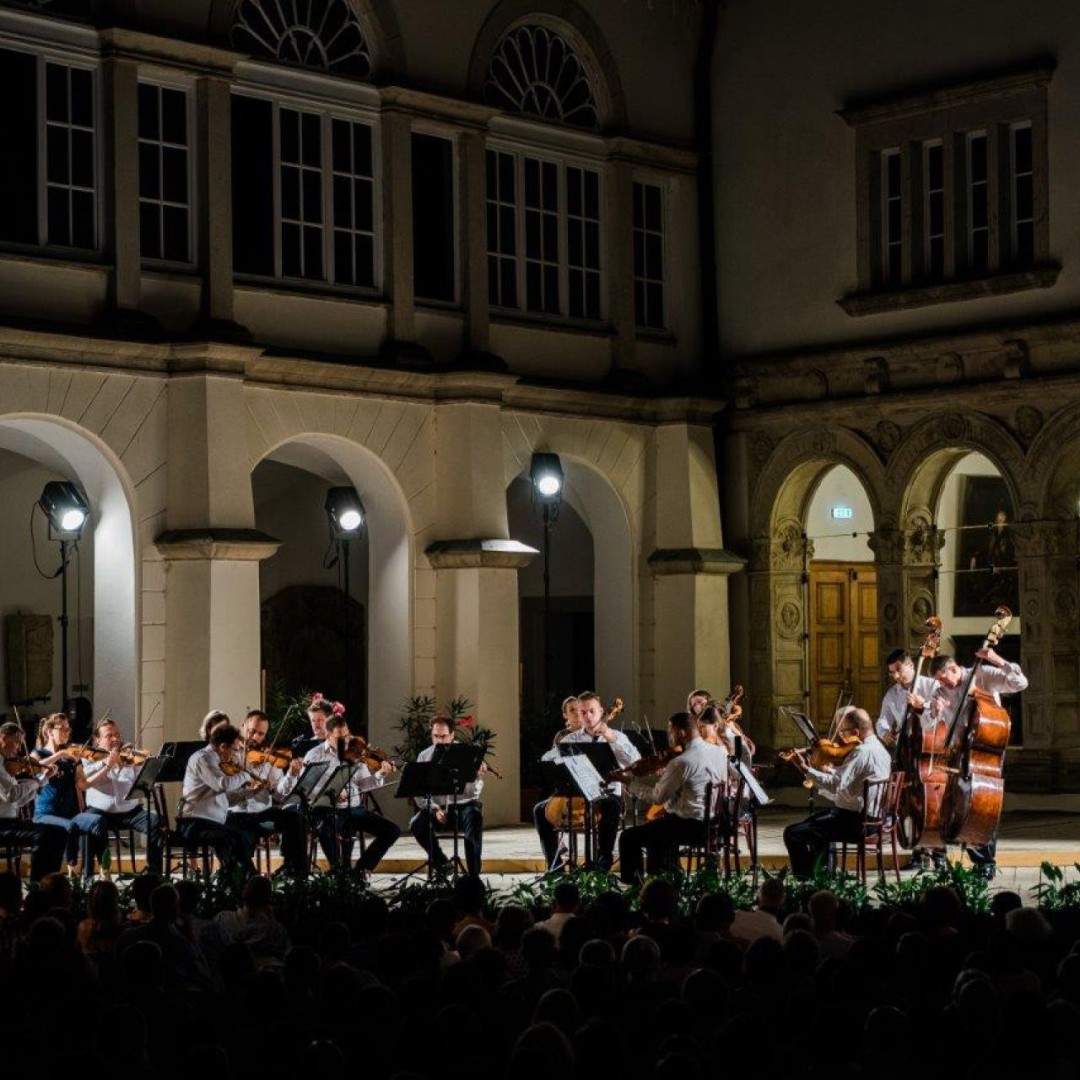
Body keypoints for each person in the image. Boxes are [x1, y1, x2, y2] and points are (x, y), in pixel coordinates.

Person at [916, 647, 1028, 878]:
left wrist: (997, 659)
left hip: (985, 750)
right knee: (958, 804)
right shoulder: (941, 691)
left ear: (953, 668)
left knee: (982, 804)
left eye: (943, 679)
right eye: (938, 681)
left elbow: (1020, 684)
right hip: (959, 754)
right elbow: (927, 724)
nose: (942, 684)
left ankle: (985, 860)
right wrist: (933, 711)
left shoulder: (982, 675)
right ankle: (955, 851)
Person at [534, 691, 640, 872]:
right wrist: (561, 760)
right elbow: (547, 758)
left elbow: (635, 761)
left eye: (592, 711)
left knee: (611, 807)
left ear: (601, 711)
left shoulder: (616, 736)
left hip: (606, 795)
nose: (588, 716)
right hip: (577, 794)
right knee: (539, 810)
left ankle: (602, 862)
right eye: (583, 712)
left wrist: (610, 738)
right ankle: (555, 865)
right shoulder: (571, 739)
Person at [618, 711, 728, 884]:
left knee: (628, 837)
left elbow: (657, 798)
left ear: (682, 733)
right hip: (715, 823)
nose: (669, 737)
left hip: (690, 827)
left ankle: (639, 886)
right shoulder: (718, 752)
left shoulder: (681, 762)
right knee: (658, 828)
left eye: (671, 732)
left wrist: (630, 783)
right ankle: (666, 877)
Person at [782, 708, 891, 878]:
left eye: (843, 731)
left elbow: (836, 785)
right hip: (873, 821)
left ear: (855, 732)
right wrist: (830, 773)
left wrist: (805, 769)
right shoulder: (880, 749)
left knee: (793, 833)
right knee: (812, 823)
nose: (841, 736)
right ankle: (825, 874)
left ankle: (806, 881)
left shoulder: (862, 752)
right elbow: (853, 782)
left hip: (857, 824)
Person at [304, 711, 400, 876]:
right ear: (327, 736)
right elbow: (306, 790)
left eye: (347, 735)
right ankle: (338, 870)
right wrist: (331, 793)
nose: (346, 741)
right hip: (327, 810)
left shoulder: (355, 753)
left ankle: (361, 869)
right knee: (326, 828)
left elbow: (364, 784)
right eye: (340, 738)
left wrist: (380, 774)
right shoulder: (314, 755)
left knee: (392, 830)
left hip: (354, 809)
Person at [71, 718, 162, 882]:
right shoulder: (88, 757)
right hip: (100, 811)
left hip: (130, 811)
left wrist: (142, 767)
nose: (115, 739)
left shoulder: (129, 756)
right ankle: (90, 875)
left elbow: (145, 781)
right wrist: (107, 764)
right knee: (91, 822)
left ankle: (154, 874)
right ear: (97, 740)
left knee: (155, 821)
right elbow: (86, 781)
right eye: (109, 736)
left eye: (117, 735)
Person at [225, 710, 308, 878]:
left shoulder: (268, 757)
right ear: (242, 727)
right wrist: (249, 790)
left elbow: (278, 796)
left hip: (262, 814)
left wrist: (291, 775)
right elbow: (226, 796)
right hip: (237, 814)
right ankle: (246, 877)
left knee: (296, 819)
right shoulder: (229, 755)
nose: (256, 737)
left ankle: (294, 872)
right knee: (239, 836)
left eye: (261, 734)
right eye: (252, 731)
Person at [178, 723, 259, 877]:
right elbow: (223, 784)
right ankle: (249, 876)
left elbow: (225, 799)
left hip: (211, 822)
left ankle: (235, 877)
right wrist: (246, 775)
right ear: (222, 747)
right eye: (234, 750)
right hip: (194, 823)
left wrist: (251, 792)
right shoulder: (203, 758)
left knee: (245, 834)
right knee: (236, 837)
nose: (234, 755)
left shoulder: (217, 762)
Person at [409, 715, 485, 877]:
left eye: (443, 736)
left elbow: (473, 793)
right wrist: (434, 809)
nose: (439, 740)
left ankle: (474, 876)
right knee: (416, 823)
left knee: (474, 816)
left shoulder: (466, 754)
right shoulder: (424, 756)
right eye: (435, 736)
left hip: (464, 806)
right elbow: (419, 793)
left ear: (452, 735)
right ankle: (442, 864)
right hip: (438, 809)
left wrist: (476, 776)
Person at [0, 721, 66, 880]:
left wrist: (43, 779)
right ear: (3, 738)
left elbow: (18, 802)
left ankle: (51, 881)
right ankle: (36, 884)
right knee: (41, 836)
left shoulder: (6, 764)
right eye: (17, 742)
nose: (19, 749)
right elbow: (11, 795)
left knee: (57, 830)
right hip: (2, 825)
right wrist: (37, 782)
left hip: (12, 822)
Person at [31, 712, 84, 866]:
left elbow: (79, 784)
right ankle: (72, 864)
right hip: (46, 812)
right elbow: (35, 767)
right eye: (63, 729)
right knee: (71, 828)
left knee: (56, 858)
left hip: (67, 812)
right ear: (49, 732)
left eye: (68, 729)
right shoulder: (38, 753)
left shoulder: (70, 757)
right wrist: (59, 754)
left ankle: (71, 870)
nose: (67, 732)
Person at [875, 649, 936, 749]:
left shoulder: (932, 685)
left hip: (929, 743)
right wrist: (884, 732)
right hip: (904, 746)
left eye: (899, 670)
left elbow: (942, 714)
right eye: (892, 672)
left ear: (910, 665)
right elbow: (883, 719)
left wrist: (924, 704)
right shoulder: (891, 694)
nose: (896, 676)